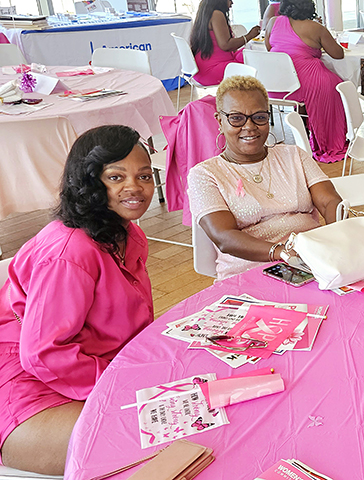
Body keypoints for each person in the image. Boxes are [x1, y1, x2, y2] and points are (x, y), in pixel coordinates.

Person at [0, 125, 156, 474]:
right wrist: (121, 382)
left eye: (144, 175)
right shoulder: (71, 252)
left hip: (87, 362)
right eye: (115, 177)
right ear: (88, 182)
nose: (135, 187)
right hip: (25, 377)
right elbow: (41, 352)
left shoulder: (128, 234)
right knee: (144, 439)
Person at [188, 76, 343, 281]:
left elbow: (329, 201)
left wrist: (338, 234)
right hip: (249, 271)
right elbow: (224, 237)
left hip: (311, 259)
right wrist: (281, 253)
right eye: (236, 118)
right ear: (219, 121)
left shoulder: (294, 155)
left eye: (259, 117)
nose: (249, 126)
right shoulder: (205, 174)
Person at [266, 0, 349, 163]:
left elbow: (270, 49)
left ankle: (306, 126)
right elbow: (338, 54)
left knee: (327, 82)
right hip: (306, 83)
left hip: (277, 85)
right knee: (337, 85)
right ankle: (327, 139)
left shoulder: (273, 22)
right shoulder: (316, 28)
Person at [189, 0, 261, 86]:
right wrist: (249, 36)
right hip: (212, 71)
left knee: (248, 54)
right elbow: (225, 45)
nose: (232, 3)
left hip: (201, 70)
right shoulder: (216, 14)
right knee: (256, 60)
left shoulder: (205, 11)